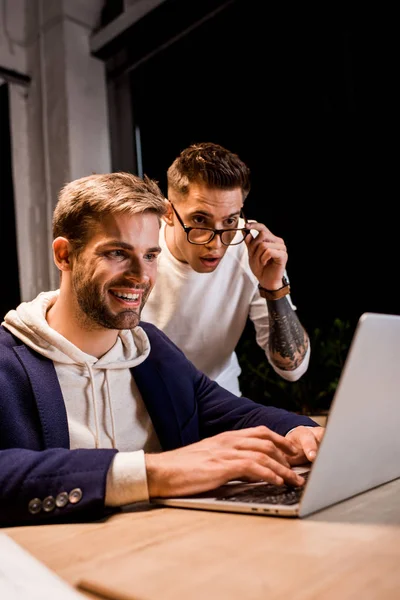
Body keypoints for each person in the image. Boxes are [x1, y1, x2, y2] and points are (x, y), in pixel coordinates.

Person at [0, 172, 323, 528]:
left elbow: (237, 414)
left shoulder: (152, 349)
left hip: (168, 552)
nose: (141, 275)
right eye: (117, 253)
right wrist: (155, 472)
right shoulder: (8, 359)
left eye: (150, 255)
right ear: (64, 255)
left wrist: (302, 432)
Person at [141, 142, 310, 396]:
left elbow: (293, 368)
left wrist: (273, 287)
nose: (216, 244)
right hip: (146, 400)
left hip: (219, 398)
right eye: (200, 220)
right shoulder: (141, 250)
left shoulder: (252, 252)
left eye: (230, 220)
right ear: (168, 213)